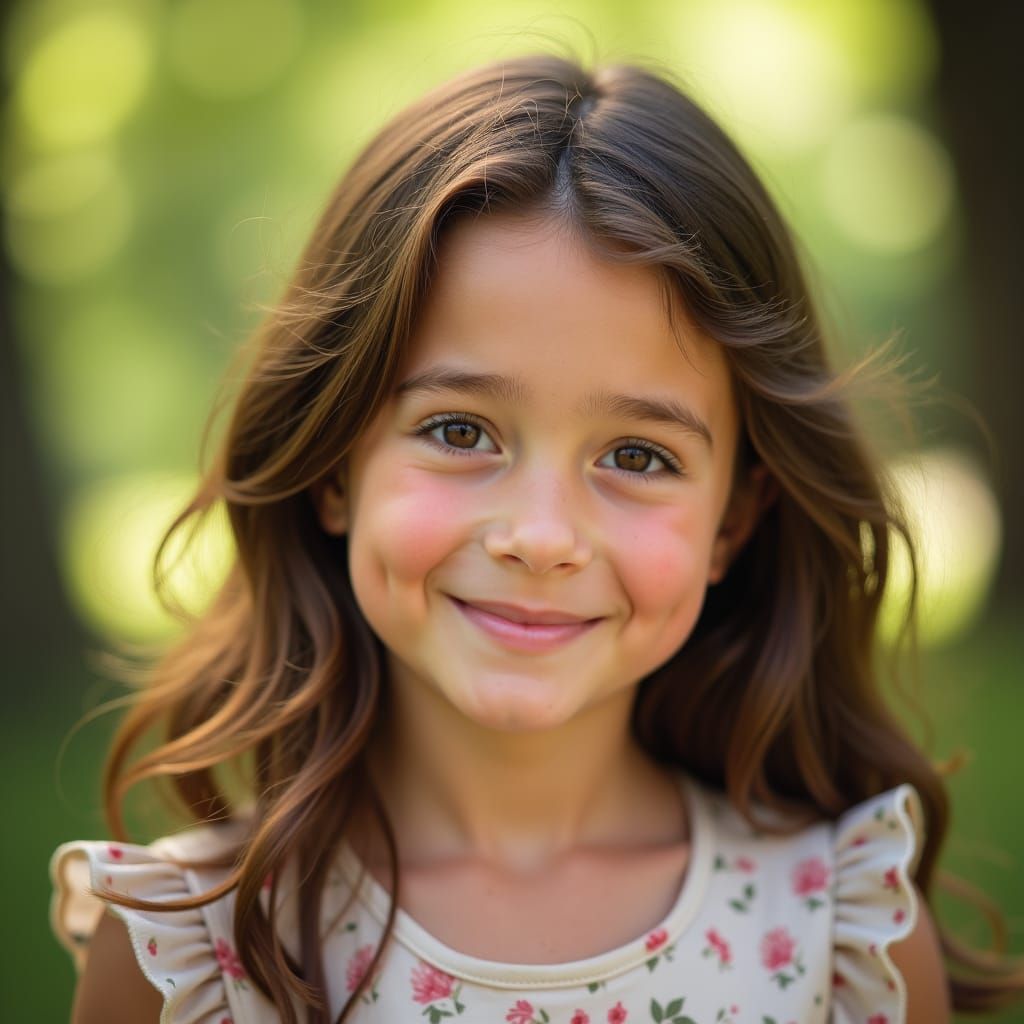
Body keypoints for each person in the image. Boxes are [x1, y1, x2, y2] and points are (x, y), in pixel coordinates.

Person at [50, 53, 1021, 1024]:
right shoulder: (192, 951)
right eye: (460, 432)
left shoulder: (834, 933)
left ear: (733, 518)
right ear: (335, 464)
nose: (542, 536)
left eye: (637, 456)